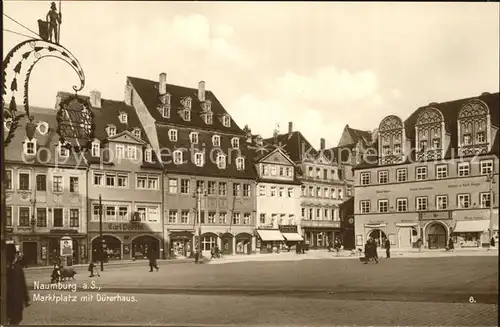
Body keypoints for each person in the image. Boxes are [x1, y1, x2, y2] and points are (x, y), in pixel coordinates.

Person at [6, 243, 30, 325]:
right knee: (15, 321)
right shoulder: (17, 268)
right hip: (15, 303)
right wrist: (26, 299)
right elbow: (22, 284)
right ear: (14, 254)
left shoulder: (15, 267)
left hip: (9, 303)